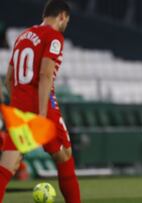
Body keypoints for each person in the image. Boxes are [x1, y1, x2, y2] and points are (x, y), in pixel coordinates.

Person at [0, 1, 81, 202]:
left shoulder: (22, 36)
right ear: (62, 16)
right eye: (67, 20)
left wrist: (19, 102)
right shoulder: (53, 36)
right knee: (65, 158)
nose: (66, 24)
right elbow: (45, 74)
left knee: (7, 165)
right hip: (41, 105)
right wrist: (42, 114)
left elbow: (9, 78)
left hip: (18, 106)